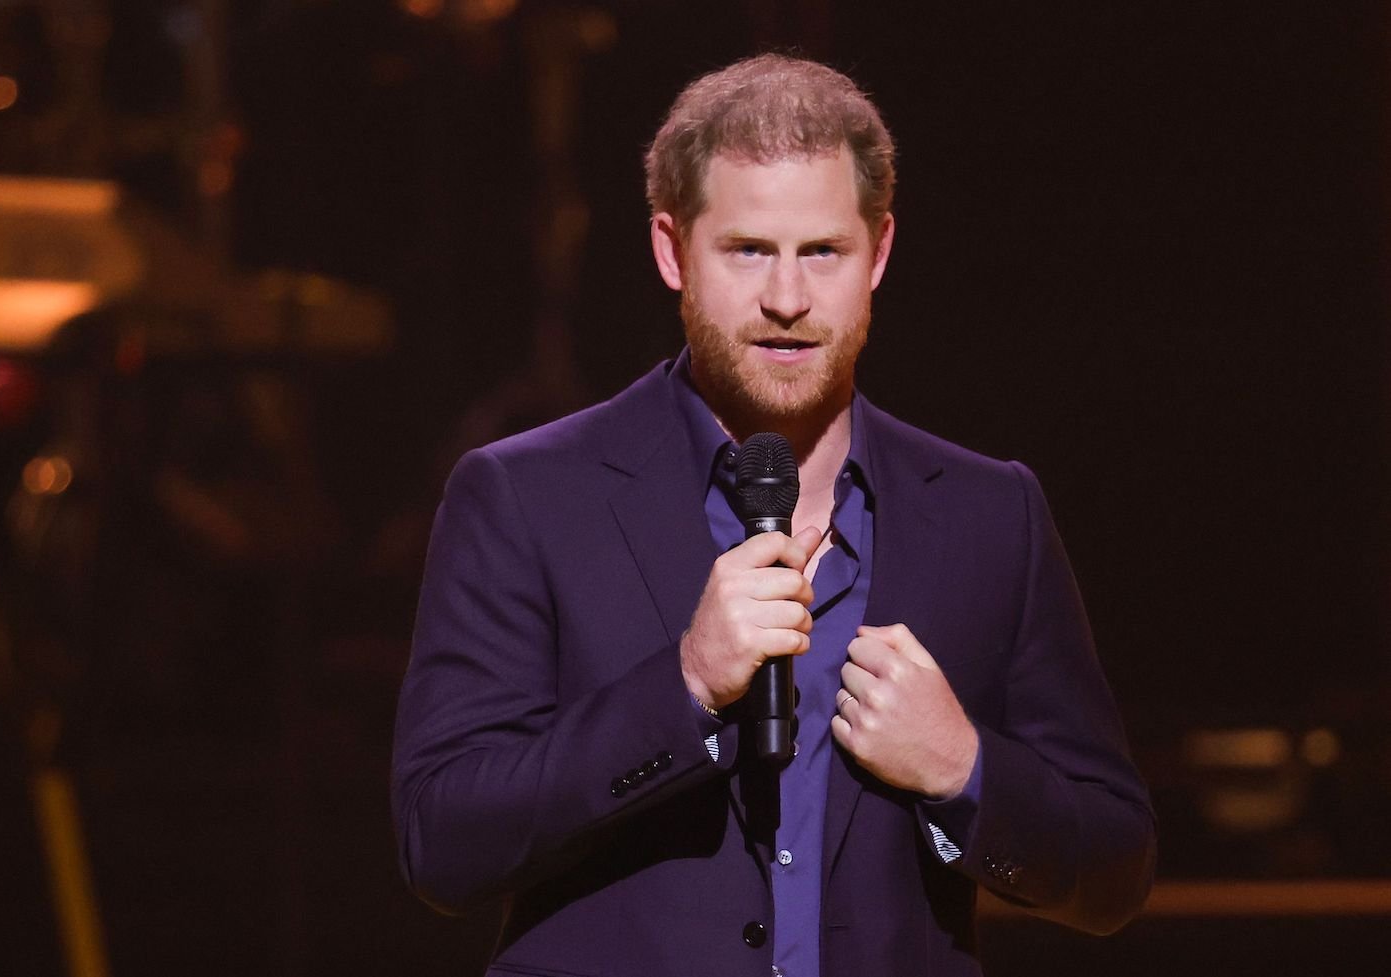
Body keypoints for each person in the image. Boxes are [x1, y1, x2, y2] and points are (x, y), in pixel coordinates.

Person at [392, 53, 1155, 977]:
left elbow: (1113, 874)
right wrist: (679, 687)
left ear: (878, 252)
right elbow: (442, 843)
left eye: (823, 253)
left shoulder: (992, 513)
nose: (788, 300)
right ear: (673, 250)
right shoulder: (527, 497)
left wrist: (966, 772)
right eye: (749, 250)